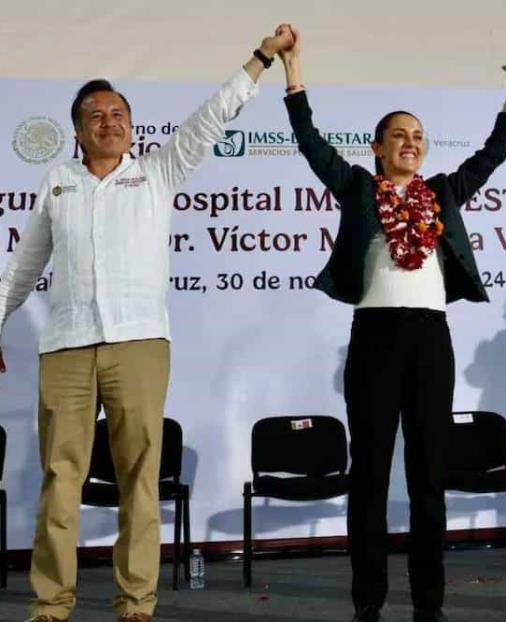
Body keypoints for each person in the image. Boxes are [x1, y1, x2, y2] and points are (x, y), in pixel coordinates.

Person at [0, 27, 294, 622]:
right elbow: (23, 268)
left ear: (131, 128)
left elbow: (212, 118)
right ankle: (52, 602)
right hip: (65, 350)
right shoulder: (56, 185)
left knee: (139, 477)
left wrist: (261, 59)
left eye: (118, 114)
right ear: (78, 130)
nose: (109, 122)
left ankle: (137, 600)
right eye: (95, 115)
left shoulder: (156, 173)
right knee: (61, 479)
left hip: (138, 346)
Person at [276, 24, 506, 622]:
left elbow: (490, 159)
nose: (410, 143)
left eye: (418, 136)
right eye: (399, 136)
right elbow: (311, 142)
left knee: (427, 476)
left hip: (430, 340)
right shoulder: (360, 189)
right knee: (368, 475)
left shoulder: (442, 193)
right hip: (374, 338)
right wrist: (293, 73)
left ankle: (428, 605)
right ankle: (368, 601)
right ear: (378, 147)